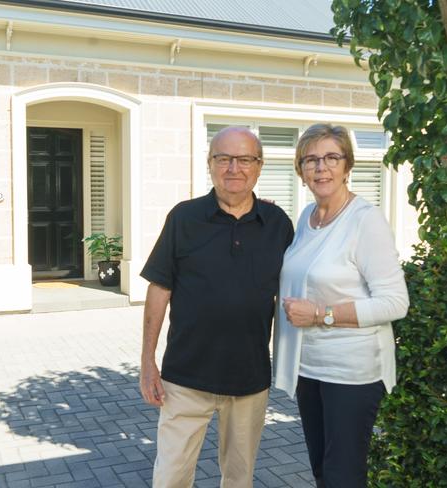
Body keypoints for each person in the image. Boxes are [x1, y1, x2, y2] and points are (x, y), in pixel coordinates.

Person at [139, 126, 294, 488]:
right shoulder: (184, 218)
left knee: (239, 479)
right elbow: (159, 289)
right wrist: (148, 361)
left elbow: (302, 284)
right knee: (170, 477)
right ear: (210, 164)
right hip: (185, 378)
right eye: (223, 159)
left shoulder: (278, 224)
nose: (233, 168)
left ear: (259, 166)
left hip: (249, 380)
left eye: (244, 160)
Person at [273, 123, 409, 488]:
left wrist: (320, 315)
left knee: (342, 474)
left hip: (352, 372)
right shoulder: (307, 219)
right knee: (321, 467)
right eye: (311, 160)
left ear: (348, 166)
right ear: (300, 172)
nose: (322, 167)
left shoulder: (366, 221)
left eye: (332, 157)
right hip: (310, 367)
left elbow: (395, 302)